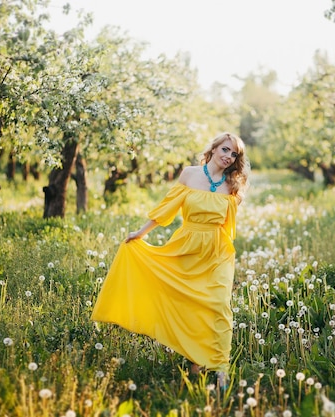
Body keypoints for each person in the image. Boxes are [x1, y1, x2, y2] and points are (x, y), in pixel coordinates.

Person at [91, 132, 250, 388]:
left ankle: (221, 368)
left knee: (220, 306)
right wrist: (141, 233)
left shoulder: (232, 184)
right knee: (188, 305)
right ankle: (196, 359)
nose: (228, 157)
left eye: (233, 154)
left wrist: (224, 252)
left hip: (217, 252)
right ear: (213, 149)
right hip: (187, 246)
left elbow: (228, 226)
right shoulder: (189, 174)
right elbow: (168, 208)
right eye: (225, 150)